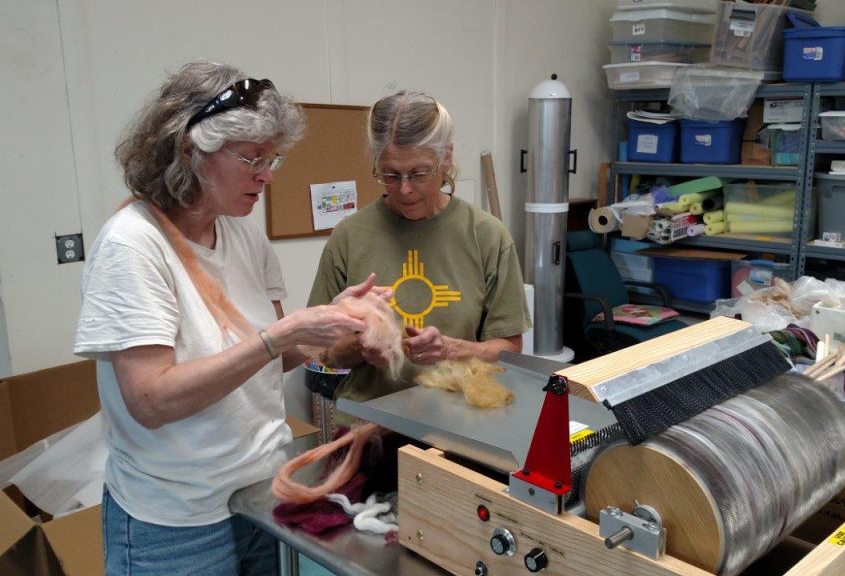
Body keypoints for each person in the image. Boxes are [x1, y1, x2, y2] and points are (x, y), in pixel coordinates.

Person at [73, 61, 379, 576]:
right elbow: (150, 401)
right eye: (251, 158)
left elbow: (281, 357)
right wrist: (279, 335)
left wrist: (341, 323)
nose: (268, 173)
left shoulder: (242, 234)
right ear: (190, 151)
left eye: (273, 157)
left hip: (262, 492)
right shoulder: (132, 245)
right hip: (176, 522)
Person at [308, 90, 531, 416]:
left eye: (419, 173)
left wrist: (450, 348)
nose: (405, 189)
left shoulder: (486, 236)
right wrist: (361, 347)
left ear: (447, 158)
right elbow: (320, 352)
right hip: (368, 427)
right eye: (391, 174)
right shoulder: (349, 237)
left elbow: (509, 349)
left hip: (462, 424)